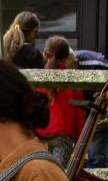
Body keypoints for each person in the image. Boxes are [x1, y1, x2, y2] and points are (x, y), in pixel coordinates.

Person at [36, 35, 88, 163]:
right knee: (58, 175)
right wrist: (80, 142)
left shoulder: (37, 79)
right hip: (64, 135)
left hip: (41, 135)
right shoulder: (73, 80)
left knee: (43, 174)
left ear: (44, 54)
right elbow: (79, 114)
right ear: (66, 57)